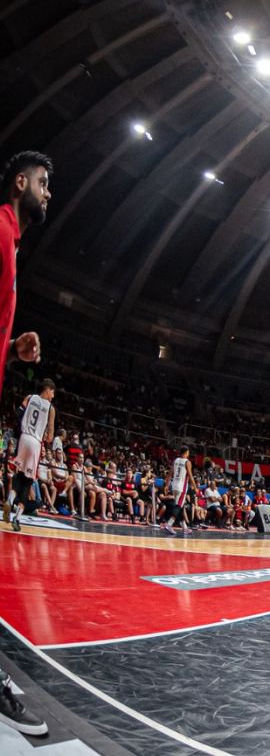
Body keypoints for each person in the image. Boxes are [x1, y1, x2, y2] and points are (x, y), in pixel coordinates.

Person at [0, 151, 52, 738]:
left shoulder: (13, 242)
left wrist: (12, 350)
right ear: (21, 182)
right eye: (43, 184)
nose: (48, 193)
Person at [7, 378, 54, 532]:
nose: (52, 396)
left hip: (23, 438)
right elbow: (49, 438)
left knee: (18, 474)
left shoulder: (29, 397)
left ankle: (10, 499)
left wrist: (22, 428)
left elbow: (17, 413)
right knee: (28, 482)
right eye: (52, 392)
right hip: (35, 442)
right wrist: (45, 433)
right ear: (47, 390)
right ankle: (17, 518)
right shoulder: (50, 408)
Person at [162, 446, 197, 535]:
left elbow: (170, 473)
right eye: (188, 452)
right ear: (186, 452)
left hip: (174, 486)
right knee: (179, 506)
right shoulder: (187, 462)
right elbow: (190, 475)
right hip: (182, 487)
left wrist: (166, 485)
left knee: (180, 507)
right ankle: (169, 524)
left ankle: (184, 527)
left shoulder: (176, 460)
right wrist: (195, 487)